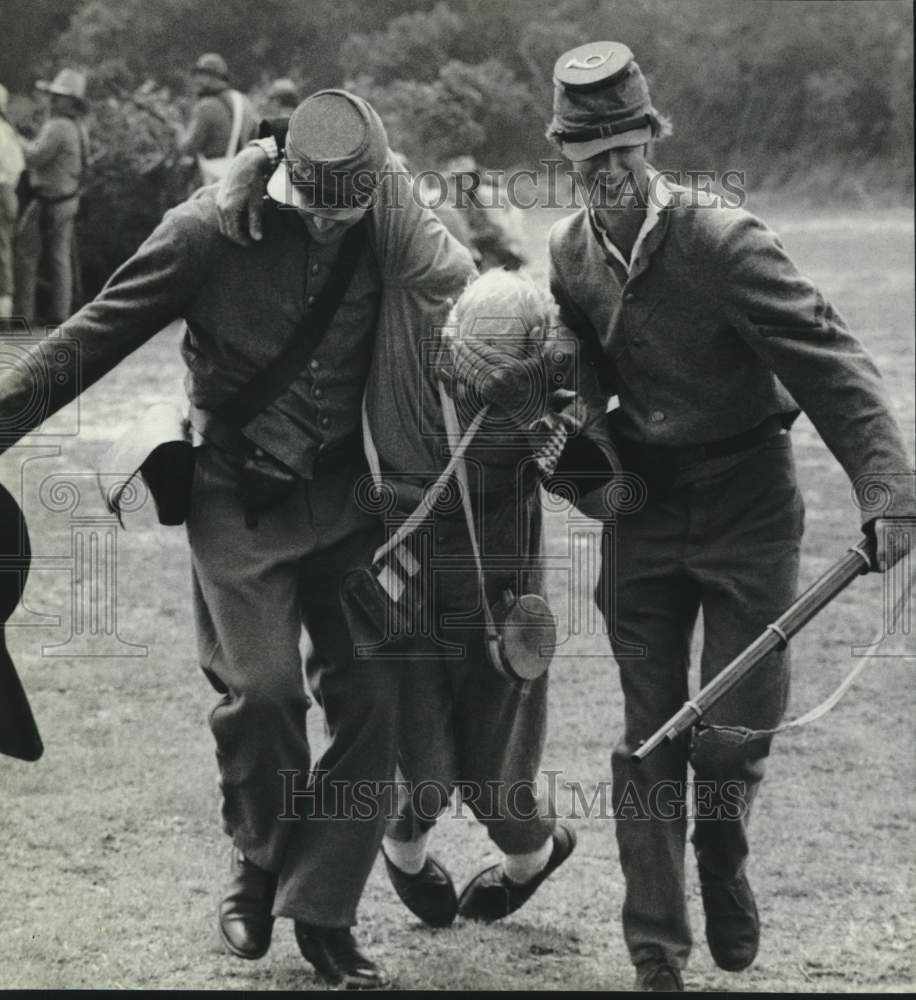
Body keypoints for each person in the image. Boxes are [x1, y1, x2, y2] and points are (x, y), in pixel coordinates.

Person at [0, 89, 473, 990]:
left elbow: (467, 294)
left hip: (349, 500)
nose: (335, 226)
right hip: (235, 498)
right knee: (261, 694)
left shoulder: (387, 219)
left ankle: (325, 911)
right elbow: (87, 340)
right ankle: (257, 863)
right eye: (320, 207)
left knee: (376, 698)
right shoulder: (203, 233)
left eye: (353, 209)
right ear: (283, 179)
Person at [530, 40, 913, 991]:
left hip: (748, 499)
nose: (609, 172)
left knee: (732, 731)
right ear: (566, 159)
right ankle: (656, 951)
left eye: (624, 149)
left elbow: (828, 359)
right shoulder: (567, 254)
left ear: (650, 143)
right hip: (646, 511)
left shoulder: (724, 238)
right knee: (648, 736)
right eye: (590, 157)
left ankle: (722, 852)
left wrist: (888, 489)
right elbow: (581, 376)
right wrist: (571, 435)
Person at [369, 269, 577, 927]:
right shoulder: (408, 343)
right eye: (466, 373)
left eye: (498, 380)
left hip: (503, 588)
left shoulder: (556, 383)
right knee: (419, 764)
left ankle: (531, 858)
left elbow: (607, 486)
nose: (475, 389)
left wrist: (568, 446)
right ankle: (402, 854)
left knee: (499, 775)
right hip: (406, 574)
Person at [13, 68, 90, 325]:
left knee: (26, 256)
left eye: (59, 96)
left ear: (71, 101)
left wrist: (14, 138)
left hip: (50, 199)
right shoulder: (78, 126)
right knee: (59, 259)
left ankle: (23, 316)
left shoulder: (58, 126)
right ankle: (60, 315)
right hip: (68, 197)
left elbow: (33, 158)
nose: (53, 100)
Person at [178, 53, 258, 185]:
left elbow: (189, 148)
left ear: (211, 77)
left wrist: (178, 132)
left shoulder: (205, 106)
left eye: (201, 74)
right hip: (241, 180)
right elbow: (257, 135)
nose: (196, 80)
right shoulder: (243, 101)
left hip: (211, 182)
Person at [0, 83, 24, 322]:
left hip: (2, 192)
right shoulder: (7, 130)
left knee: (2, 250)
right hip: (7, 192)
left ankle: (3, 314)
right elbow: (18, 168)